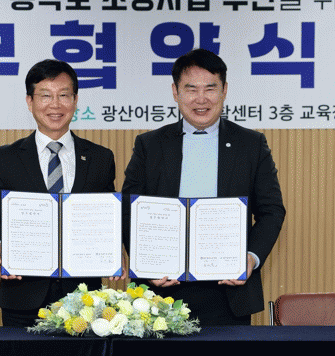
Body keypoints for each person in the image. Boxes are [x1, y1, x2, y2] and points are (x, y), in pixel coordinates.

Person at [122, 48, 285, 326]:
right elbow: (129, 210)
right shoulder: (150, 145)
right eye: (191, 89)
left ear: (224, 90)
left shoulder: (251, 144)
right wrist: (145, 263)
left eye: (210, 88)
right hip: (162, 291)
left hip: (228, 292)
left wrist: (250, 258)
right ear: (175, 92)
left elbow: (271, 211)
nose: (201, 99)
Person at [0, 59, 118, 327]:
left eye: (64, 95)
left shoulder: (100, 158)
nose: (55, 105)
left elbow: (107, 217)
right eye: (45, 96)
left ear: (75, 100)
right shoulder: (7, 158)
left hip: (85, 299)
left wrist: (113, 248)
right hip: (23, 296)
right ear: (30, 102)